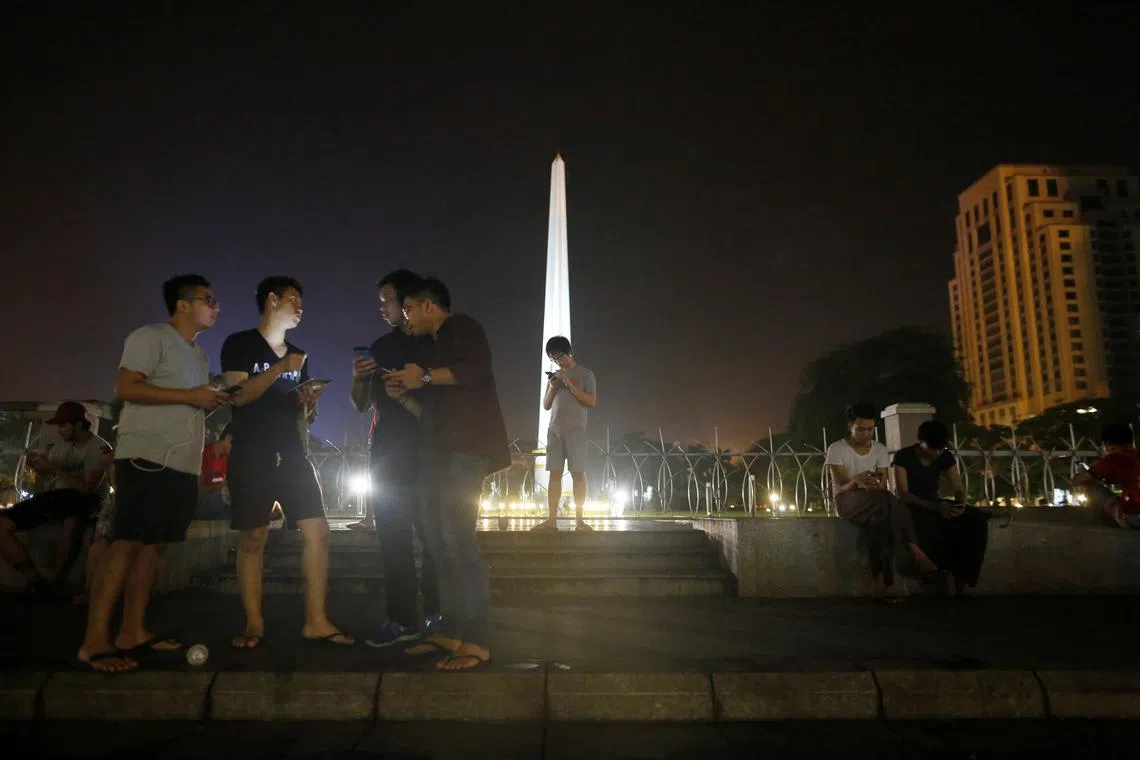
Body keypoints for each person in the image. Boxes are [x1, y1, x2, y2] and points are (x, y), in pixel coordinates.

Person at [77, 274, 229, 672]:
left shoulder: (197, 354)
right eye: (207, 299)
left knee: (154, 546)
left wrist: (204, 402)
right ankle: (95, 641)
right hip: (146, 457)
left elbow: (185, 400)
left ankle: (132, 631)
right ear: (182, 304)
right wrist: (190, 397)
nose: (216, 306)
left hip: (180, 462)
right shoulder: (151, 336)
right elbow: (126, 386)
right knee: (126, 542)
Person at [221, 276, 352, 649]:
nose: (300, 308)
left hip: (293, 450)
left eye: (302, 301)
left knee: (319, 532)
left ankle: (316, 620)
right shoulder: (240, 343)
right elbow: (239, 396)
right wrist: (280, 369)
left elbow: (303, 415)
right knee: (253, 537)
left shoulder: (299, 354)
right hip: (252, 450)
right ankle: (254, 624)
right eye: (293, 299)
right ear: (272, 300)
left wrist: (309, 402)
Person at [386, 277, 509, 671]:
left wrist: (421, 376)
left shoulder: (462, 327)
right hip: (437, 453)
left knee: (457, 541)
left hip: (463, 452)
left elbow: (474, 371)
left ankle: (475, 639)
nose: (405, 318)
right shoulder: (436, 349)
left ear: (428, 305)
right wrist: (404, 395)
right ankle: (452, 630)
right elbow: (434, 415)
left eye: (408, 309)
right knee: (438, 543)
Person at [350, 269, 441, 647]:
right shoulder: (379, 346)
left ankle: (438, 614)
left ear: (407, 303)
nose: (382, 308)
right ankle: (401, 619)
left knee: (435, 538)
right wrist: (358, 377)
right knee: (393, 541)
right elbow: (361, 404)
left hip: (428, 452)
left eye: (386, 300)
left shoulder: (435, 343)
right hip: (387, 452)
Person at [825, 403, 940, 599]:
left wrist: (870, 484)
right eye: (860, 429)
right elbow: (841, 486)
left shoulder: (879, 449)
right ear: (850, 427)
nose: (866, 434)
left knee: (880, 523)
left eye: (870, 429)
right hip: (847, 501)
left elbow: (882, 484)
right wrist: (856, 480)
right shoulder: (837, 449)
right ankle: (914, 550)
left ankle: (882, 584)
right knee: (886, 501)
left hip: (875, 502)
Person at [0, 401, 110, 598]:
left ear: (78, 424)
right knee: (2, 522)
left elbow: (88, 488)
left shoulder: (98, 447)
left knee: (72, 520)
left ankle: (57, 582)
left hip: (85, 499)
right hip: (57, 496)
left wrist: (54, 469)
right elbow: (50, 478)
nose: (60, 429)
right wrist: (36, 466)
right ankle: (34, 580)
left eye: (63, 424)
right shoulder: (62, 445)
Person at [891, 420, 990, 596]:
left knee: (977, 520)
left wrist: (960, 505)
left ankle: (965, 577)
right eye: (932, 448)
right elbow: (903, 494)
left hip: (936, 503)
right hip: (914, 505)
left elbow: (958, 488)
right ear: (920, 442)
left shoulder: (945, 456)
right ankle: (939, 575)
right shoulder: (903, 457)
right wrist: (936, 508)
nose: (937, 453)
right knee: (929, 527)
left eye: (941, 449)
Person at [532, 336, 597, 532]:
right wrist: (553, 386)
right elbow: (545, 405)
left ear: (569, 353)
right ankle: (551, 520)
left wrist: (569, 384)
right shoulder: (555, 376)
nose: (557, 361)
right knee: (554, 475)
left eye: (559, 356)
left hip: (577, 432)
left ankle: (579, 521)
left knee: (578, 474)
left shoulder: (586, 374)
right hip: (555, 432)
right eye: (553, 358)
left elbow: (591, 402)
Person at [1072, 422, 1140, 529]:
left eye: (1104, 446)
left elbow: (1077, 481)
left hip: (1133, 517)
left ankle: (1098, 522)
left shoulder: (1114, 459)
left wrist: (1083, 472)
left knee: (1090, 487)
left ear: (1109, 444)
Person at [196, 424, 233, 519]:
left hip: (216, 505)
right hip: (199, 502)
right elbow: (198, 487)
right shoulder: (202, 453)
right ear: (228, 438)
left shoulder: (226, 459)